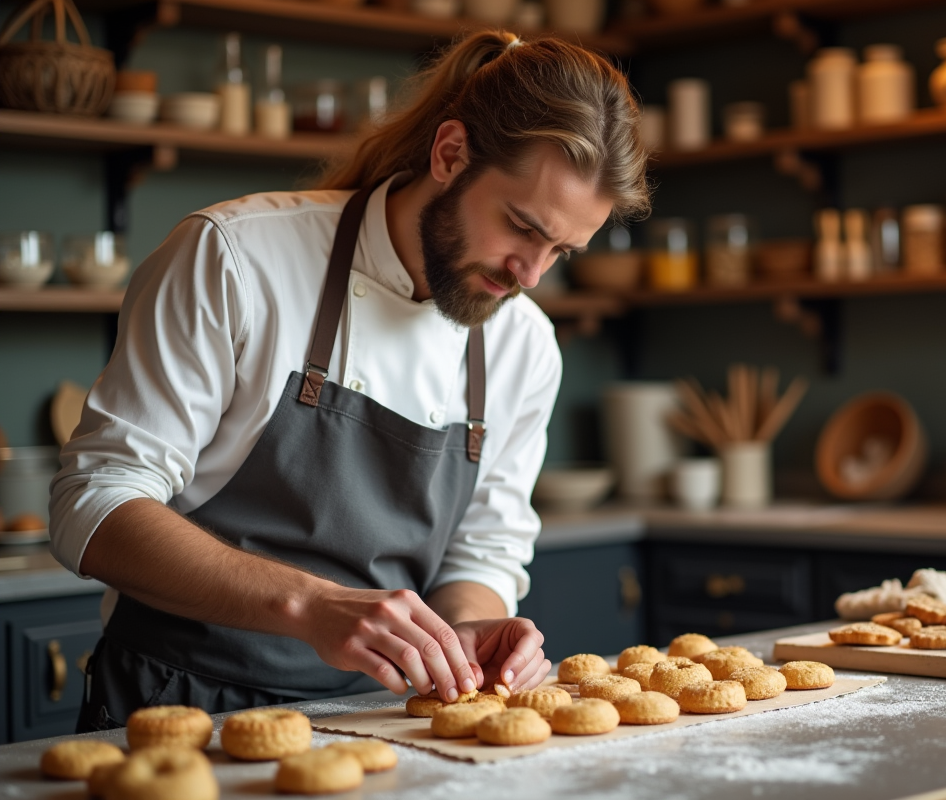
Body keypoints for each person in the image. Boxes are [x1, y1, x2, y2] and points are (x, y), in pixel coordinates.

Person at [49, 30, 651, 731]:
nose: (531, 274)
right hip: (175, 711)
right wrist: (311, 607)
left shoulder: (523, 346)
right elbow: (93, 504)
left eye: (562, 250)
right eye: (521, 227)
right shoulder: (236, 260)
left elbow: (482, 551)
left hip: (380, 726)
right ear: (450, 153)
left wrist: (474, 629)